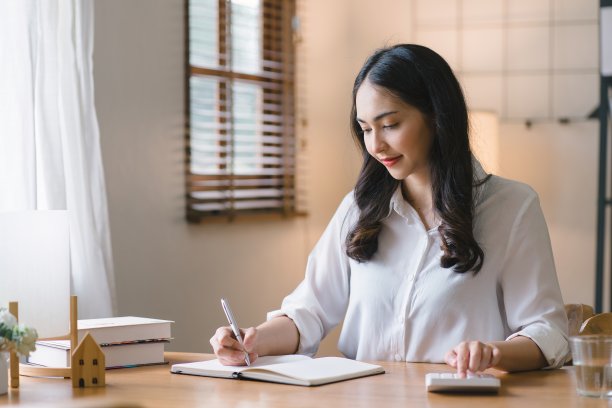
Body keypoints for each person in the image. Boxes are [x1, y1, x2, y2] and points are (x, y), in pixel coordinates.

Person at [210, 44, 569, 377]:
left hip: (458, 396)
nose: (376, 145)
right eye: (366, 129)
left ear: (436, 116)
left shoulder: (512, 207)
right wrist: (252, 340)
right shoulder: (359, 208)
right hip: (363, 396)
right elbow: (309, 312)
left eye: (391, 125)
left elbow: (548, 331)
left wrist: (494, 352)